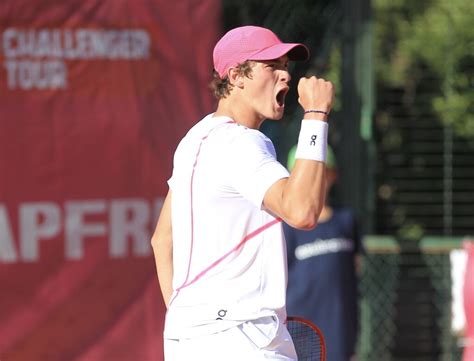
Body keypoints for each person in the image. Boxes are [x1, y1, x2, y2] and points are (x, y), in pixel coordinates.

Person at [151, 25, 335, 361]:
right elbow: (302, 211)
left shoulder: (195, 139)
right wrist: (316, 116)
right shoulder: (242, 143)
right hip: (243, 338)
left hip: (187, 340)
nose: (285, 76)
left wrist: (190, 320)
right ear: (236, 76)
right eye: (272, 66)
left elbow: (162, 241)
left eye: (285, 66)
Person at [284, 144, 363, 361]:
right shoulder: (284, 227)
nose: (315, 180)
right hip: (297, 334)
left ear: (333, 175)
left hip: (340, 334)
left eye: (321, 171)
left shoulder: (346, 220)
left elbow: (355, 275)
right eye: (307, 172)